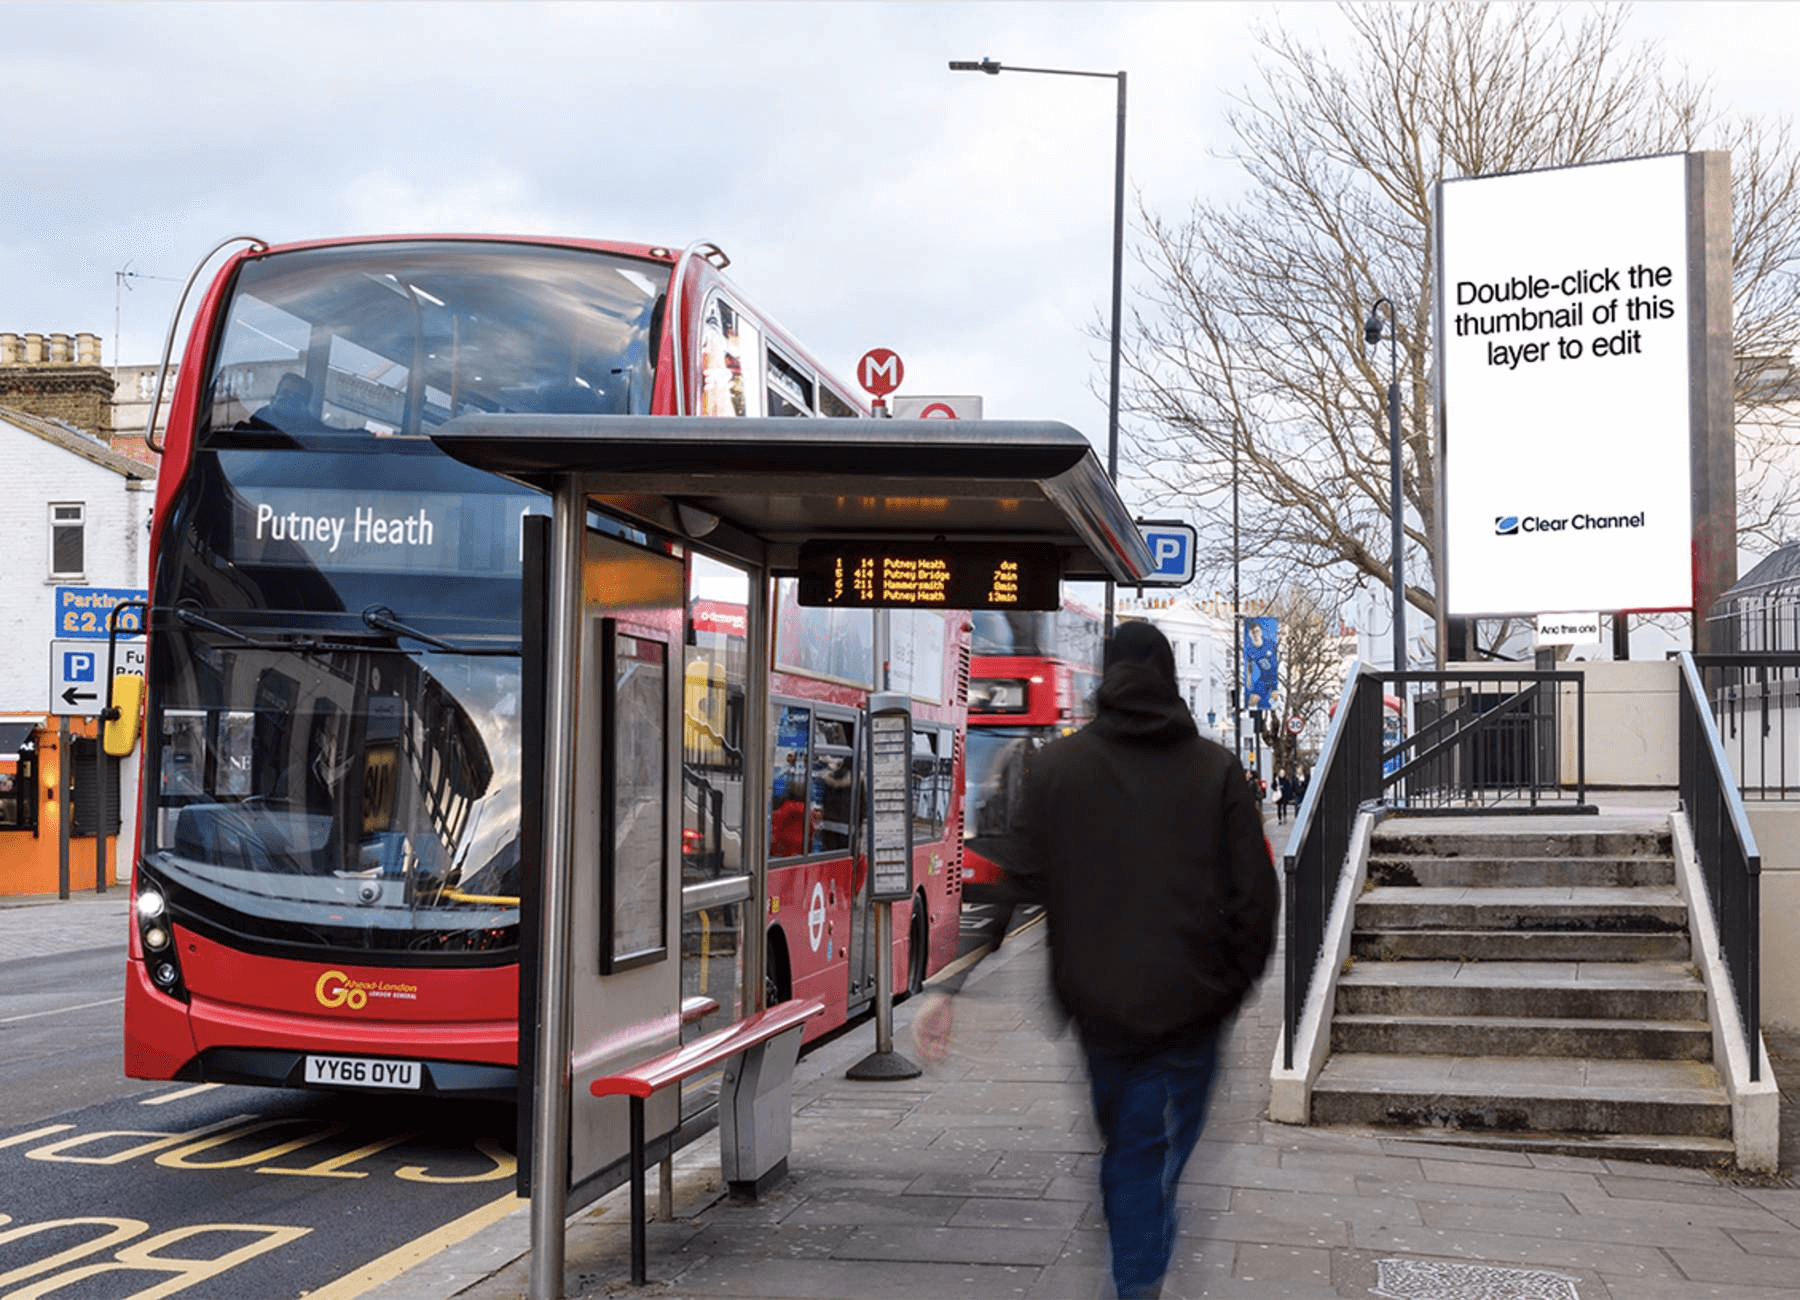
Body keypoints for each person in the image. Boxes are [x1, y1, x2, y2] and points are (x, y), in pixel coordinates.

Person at [914, 621, 1278, 1300]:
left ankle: (1138, 1253)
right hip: (1196, 1012)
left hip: (1100, 1012)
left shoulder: (1058, 769)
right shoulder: (1216, 769)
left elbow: (1008, 885)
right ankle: (1139, 1271)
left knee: (1133, 1153)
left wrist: (950, 985)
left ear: (1106, 678)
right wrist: (1231, 987)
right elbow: (1257, 899)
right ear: (1169, 678)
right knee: (1149, 1159)